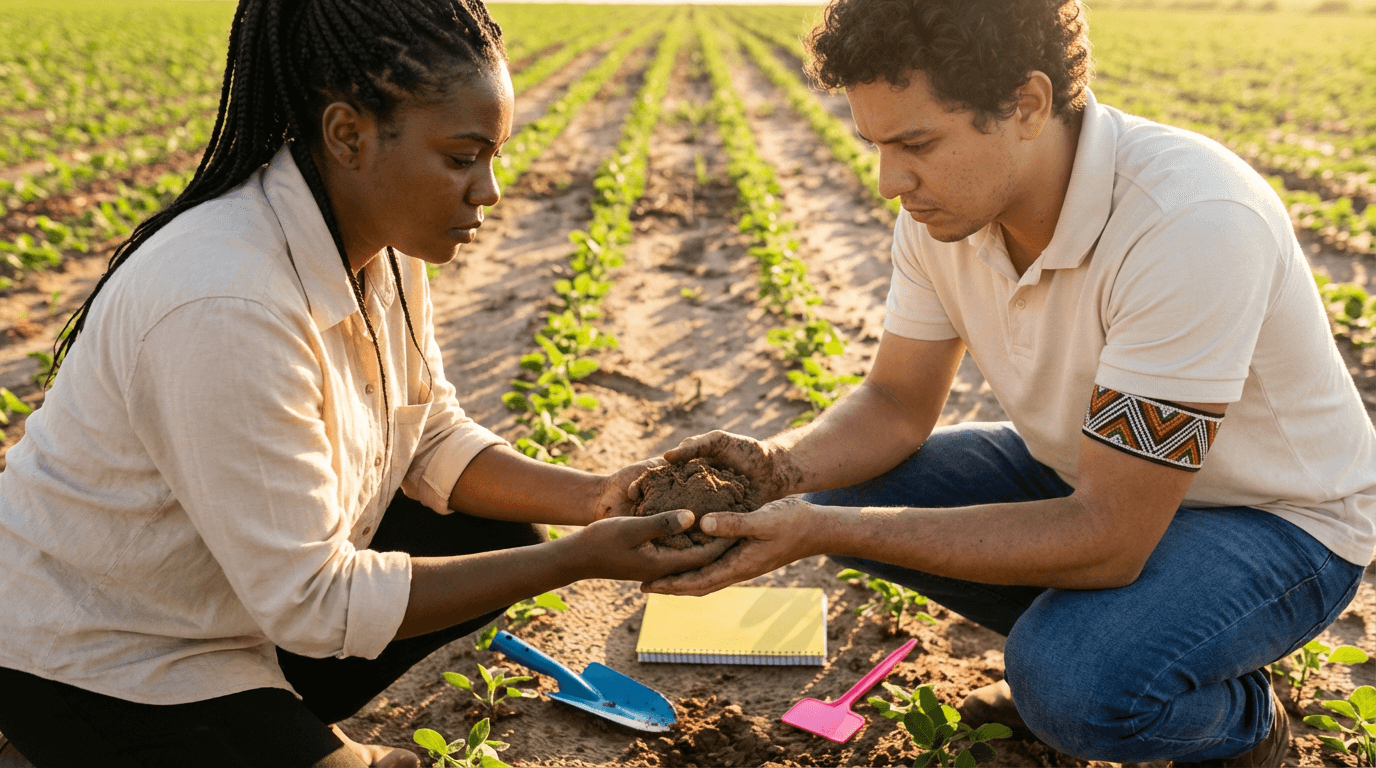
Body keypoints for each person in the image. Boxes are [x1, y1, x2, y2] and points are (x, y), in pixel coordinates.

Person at [643, 0, 1376, 765]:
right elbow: (895, 405)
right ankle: (1115, 638)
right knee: (833, 488)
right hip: (1090, 475)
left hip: (1275, 522)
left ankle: (1240, 721)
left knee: (1076, 688)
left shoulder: (1190, 220)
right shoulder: (945, 216)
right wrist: (774, 470)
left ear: (1027, 103)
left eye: (916, 142)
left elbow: (1109, 538)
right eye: (874, 144)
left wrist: (821, 533)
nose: (891, 180)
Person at [0, 1, 722, 766]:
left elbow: (430, 435)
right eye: (461, 158)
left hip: (238, 599)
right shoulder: (225, 303)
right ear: (349, 135)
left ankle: (273, 721)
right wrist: (577, 560)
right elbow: (314, 601)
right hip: (104, 650)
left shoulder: (380, 241)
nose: (489, 191)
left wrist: (597, 497)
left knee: (497, 532)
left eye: (493, 158)